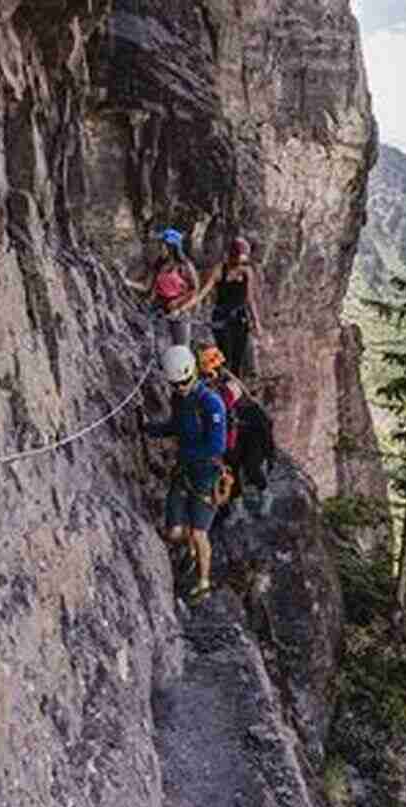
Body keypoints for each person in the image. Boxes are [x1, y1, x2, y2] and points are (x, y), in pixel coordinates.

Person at [143, 345, 227, 599]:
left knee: (199, 532)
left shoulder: (211, 404)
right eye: (176, 384)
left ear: (193, 374)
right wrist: (150, 429)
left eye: (184, 382)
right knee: (174, 532)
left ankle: (203, 582)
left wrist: (186, 454)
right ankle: (189, 551)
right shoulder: (180, 399)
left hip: (206, 475)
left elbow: (217, 445)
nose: (180, 388)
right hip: (185, 471)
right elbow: (176, 426)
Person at [196, 344, 275, 524]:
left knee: (251, 465)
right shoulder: (214, 383)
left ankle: (265, 494)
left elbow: (222, 404)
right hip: (235, 428)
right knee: (231, 467)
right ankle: (238, 508)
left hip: (253, 428)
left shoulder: (231, 384)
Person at [187, 236, 262, 377]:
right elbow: (203, 293)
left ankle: (235, 388)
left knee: (238, 358)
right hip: (222, 318)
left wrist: (256, 322)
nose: (241, 261)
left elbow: (249, 299)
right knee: (225, 354)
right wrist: (185, 307)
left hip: (240, 318)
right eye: (239, 257)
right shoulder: (220, 270)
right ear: (232, 255)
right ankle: (222, 382)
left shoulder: (247, 272)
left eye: (243, 258)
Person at [120, 227, 199, 347]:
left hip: (179, 311)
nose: (159, 247)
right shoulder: (158, 265)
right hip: (159, 308)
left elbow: (194, 290)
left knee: (181, 348)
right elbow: (146, 286)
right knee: (159, 345)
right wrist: (128, 283)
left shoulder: (185, 266)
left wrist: (179, 306)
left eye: (162, 244)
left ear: (171, 246)